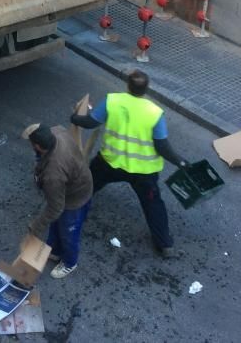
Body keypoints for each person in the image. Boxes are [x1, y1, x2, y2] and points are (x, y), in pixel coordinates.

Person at [70, 70, 188, 258]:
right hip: (143, 173)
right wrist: (180, 161)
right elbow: (162, 146)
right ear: (146, 89)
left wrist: (74, 118)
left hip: (110, 163)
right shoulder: (154, 113)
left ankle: (70, 215)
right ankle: (165, 245)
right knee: (153, 205)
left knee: (87, 187)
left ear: (127, 85)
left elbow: (90, 123)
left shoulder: (112, 101)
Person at [22, 123, 94, 279]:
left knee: (69, 233)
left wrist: (35, 226)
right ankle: (54, 250)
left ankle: (69, 262)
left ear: (38, 147)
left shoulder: (53, 174)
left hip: (75, 198)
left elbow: (56, 207)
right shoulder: (58, 131)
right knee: (56, 224)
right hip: (80, 180)